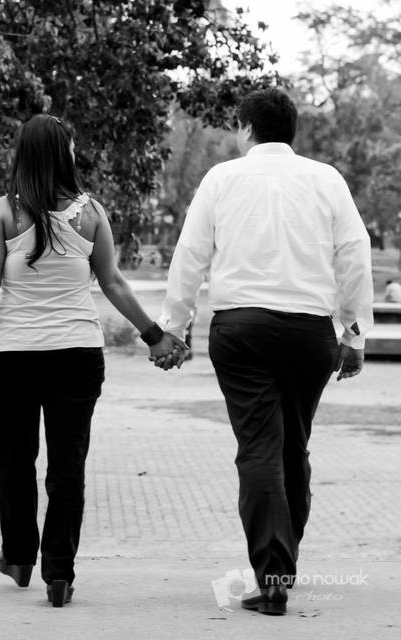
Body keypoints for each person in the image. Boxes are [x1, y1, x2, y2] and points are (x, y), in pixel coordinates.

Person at [0, 114, 187, 608]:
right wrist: (153, 335)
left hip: (13, 357)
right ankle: (59, 573)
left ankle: (18, 557)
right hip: (76, 357)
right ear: (64, 154)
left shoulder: (3, 211)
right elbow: (114, 282)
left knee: (15, 458)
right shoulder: (91, 213)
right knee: (67, 466)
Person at [159, 88, 374, 616]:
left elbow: (191, 254)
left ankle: (271, 577)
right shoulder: (326, 180)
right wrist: (353, 331)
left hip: (242, 330)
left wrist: (175, 327)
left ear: (245, 127)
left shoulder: (222, 179)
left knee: (259, 447)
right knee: (293, 445)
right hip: (308, 332)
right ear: (292, 131)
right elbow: (354, 252)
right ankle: (283, 570)